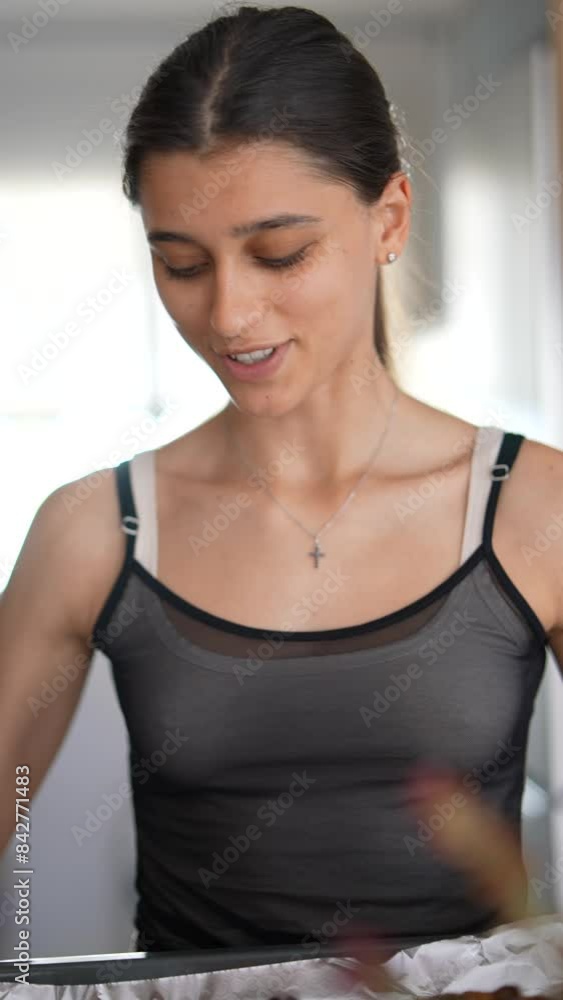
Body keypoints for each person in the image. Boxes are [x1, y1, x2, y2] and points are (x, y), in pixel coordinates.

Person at [1, 2, 562, 958]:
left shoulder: (532, 507)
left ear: (388, 217)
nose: (228, 313)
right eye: (180, 264)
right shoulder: (95, 529)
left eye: (279, 254)